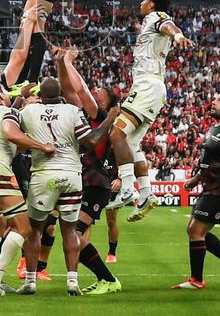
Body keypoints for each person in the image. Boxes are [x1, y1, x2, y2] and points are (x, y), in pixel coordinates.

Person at [18, 77, 113, 296]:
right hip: (71, 175)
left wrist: (22, 97)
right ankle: (72, 281)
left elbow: (12, 129)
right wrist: (109, 119)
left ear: (41, 95)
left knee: (35, 230)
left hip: (43, 175)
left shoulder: (29, 111)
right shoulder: (72, 111)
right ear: (60, 94)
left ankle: (30, 281)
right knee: (70, 229)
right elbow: (91, 140)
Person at [107, 0, 195, 219]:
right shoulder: (148, 23)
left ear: (152, 4)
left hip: (147, 85)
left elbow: (168, 25)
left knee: (116, 133)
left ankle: (127, 189)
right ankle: (146, 193)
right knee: (130, 144)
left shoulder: (156, 16)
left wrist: (178, 36)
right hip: (152, 86)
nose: (141, 3)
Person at [0, 78, 56, 296]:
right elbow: (11, 133)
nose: (8, 93)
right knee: (23, 228)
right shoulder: (6, 112)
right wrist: (41, 146)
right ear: (0, 95)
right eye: (5, 91)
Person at [54, 43, 122, 295]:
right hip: (84, 182)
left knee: (73, 235)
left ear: (107, 103)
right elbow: (68, 89)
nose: (95, 94)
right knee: (72, 236)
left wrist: (69, 61)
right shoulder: (80, 114)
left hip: (95, 184)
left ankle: (108, 279)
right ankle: (106, 278)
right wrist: (61, 63)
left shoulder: (99, 116)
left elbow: (80, 89)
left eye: (100, 94)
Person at [172, 92, 220, 290]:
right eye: (214, 99)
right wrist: (196, 178)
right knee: (194, 230)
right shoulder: (215, 128)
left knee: (196, 230)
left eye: (219, 100)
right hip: (209, 187)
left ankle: (197, 280)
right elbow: (210, 160)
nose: (213, 102)